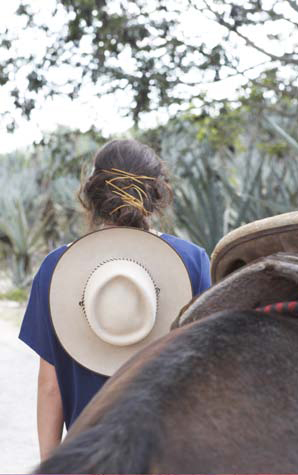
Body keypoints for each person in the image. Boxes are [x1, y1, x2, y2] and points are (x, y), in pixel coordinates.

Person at [19, 139, 211, 461]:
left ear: (92, 193)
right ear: (158, 193)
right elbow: (205, 374)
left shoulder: (56, 268)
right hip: (169, 457)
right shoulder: (191, 261)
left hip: (88, 461)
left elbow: (50, 388)